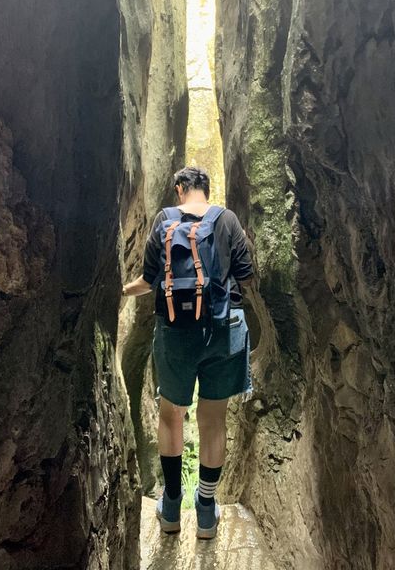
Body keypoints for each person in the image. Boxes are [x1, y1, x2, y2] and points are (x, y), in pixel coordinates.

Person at [121, 166, 254, 539]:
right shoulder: (227, 220)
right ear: (207, 191)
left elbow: (149, 281)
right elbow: (245, 274)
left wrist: (119, 290)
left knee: (171, 415)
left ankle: (172, 505)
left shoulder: (165, 220)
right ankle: (207, 511)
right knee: (213, 420)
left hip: (175, 334)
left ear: (180, 189)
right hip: (223, 334)